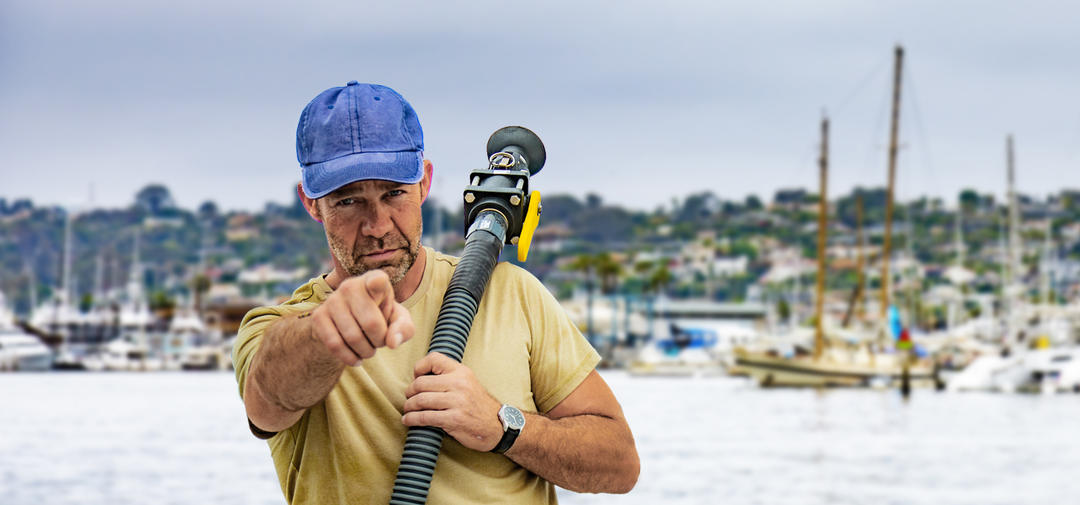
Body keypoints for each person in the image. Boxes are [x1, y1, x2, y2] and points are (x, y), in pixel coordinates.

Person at [233, 81, 639, 504]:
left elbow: (620, 464)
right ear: (311, 203)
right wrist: (325, 336)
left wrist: (504, 427)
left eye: (394, 194)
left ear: (425, 182)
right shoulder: (279, 328)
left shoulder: (511, 294)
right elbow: (267, 402)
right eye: (348, 202)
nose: (377, 225)